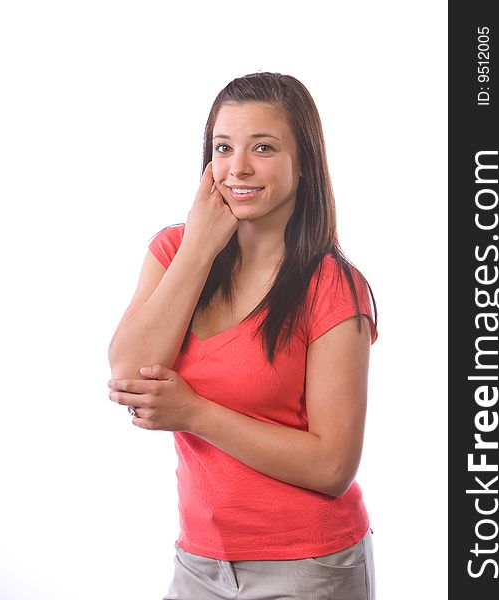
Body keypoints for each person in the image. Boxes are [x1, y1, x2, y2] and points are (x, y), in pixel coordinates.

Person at [107, 71, 378, 600]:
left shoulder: (332, 287)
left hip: (310, 566)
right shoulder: (174, 252)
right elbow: (126, 374)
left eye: (264, 147)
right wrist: (200, 247)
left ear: (304, 165)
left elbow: (332, 467)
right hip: (199, 562)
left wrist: (195, 413)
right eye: (223, 147)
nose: (239, 167)